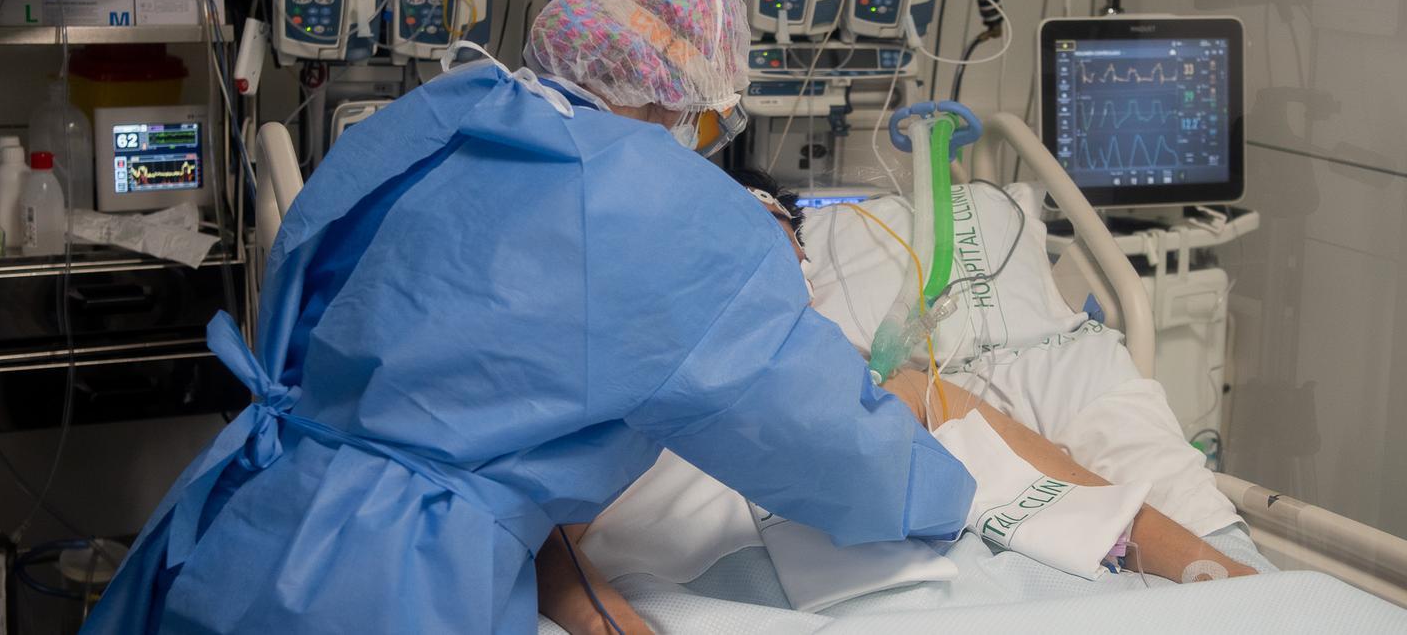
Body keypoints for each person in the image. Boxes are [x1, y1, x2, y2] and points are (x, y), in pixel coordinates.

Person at [81, 0, 975, 634]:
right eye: (707, 116)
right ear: (683, 96)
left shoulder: (446, 112)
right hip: (385, 582)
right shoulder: (664, 210)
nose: (704, 140)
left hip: (248, 514)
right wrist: (948, 498)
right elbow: (821, 437)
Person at [536, 171, 1254, 635]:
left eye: (787, 253)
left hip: (990, 600)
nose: (768, 278)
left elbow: (1065, 490)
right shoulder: (615, 407)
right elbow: (540, 540)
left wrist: (1223, 579)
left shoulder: (877, 382)